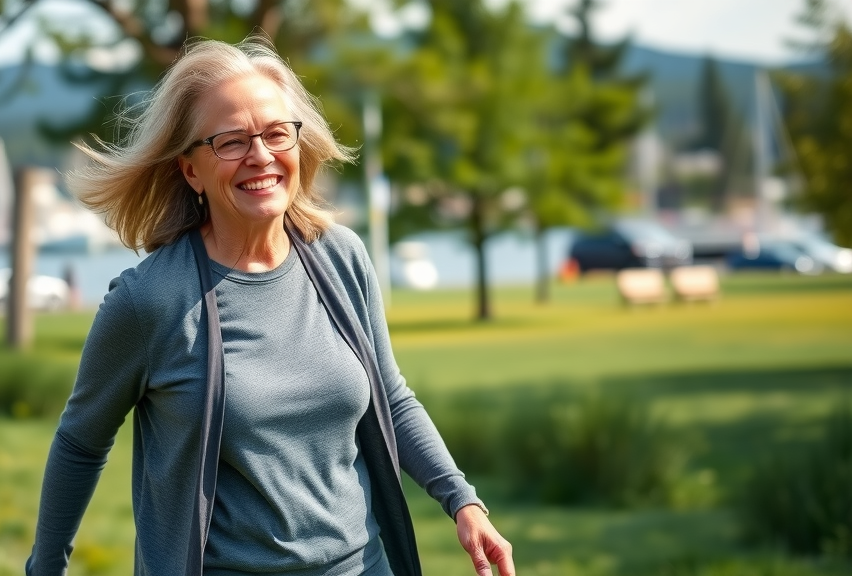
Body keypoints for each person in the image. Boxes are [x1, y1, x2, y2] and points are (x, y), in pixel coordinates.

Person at [25, 35, 515, 576]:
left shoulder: (342, 258)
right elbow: (80, 442)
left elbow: (391, 398)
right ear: (192, 171)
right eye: (231, 142)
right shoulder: (150, 302)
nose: (260, 155)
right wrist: (45, 567)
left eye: (277, 133)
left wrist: (463, 501)